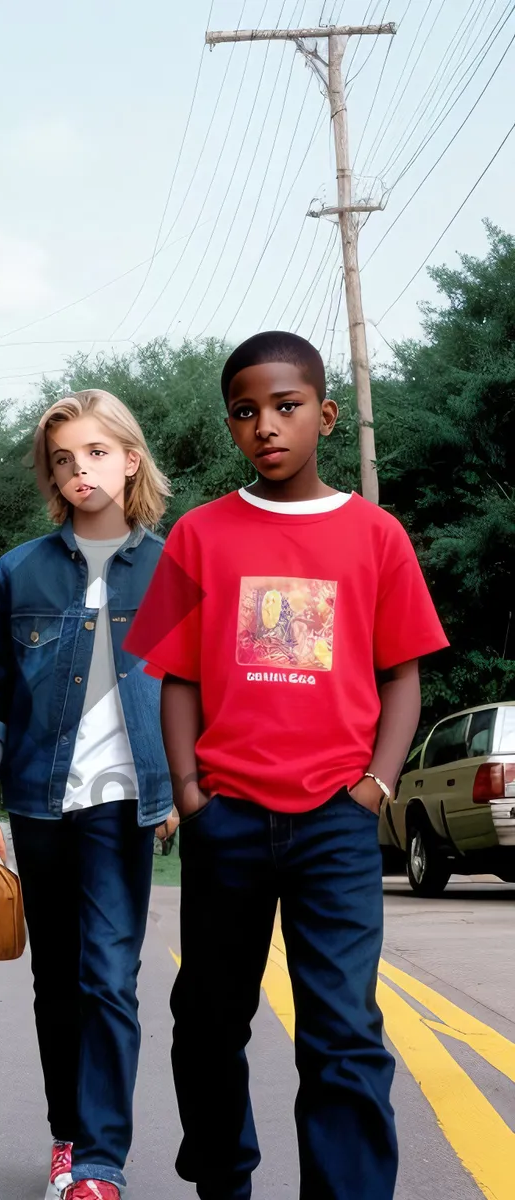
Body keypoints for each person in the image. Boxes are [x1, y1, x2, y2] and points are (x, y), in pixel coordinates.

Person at [124, 332, 448, 1200]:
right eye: (245, 411)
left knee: (342, 1032)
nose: (265, 425)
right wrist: (191, 792)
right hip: (227, 819)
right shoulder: (198, 535)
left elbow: (402, 676)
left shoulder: (375, 535)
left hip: (335, 826)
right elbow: (177, 675)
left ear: (325, 415)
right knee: (206, 1023)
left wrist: (375, 785)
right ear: (232, 425)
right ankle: (224, 1180)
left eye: (286, 406)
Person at [0, 389, 176, 1200]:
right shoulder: (18, 571)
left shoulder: (172, 568)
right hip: (41, 805)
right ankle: (67, 1135)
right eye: (62, 458)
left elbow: (196, 688)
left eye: (94, 452)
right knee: (56, 979)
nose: (79, 470)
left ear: (129, 458)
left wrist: (185, 787)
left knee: (108, 978)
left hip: (128, 805)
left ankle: (99, 1164)